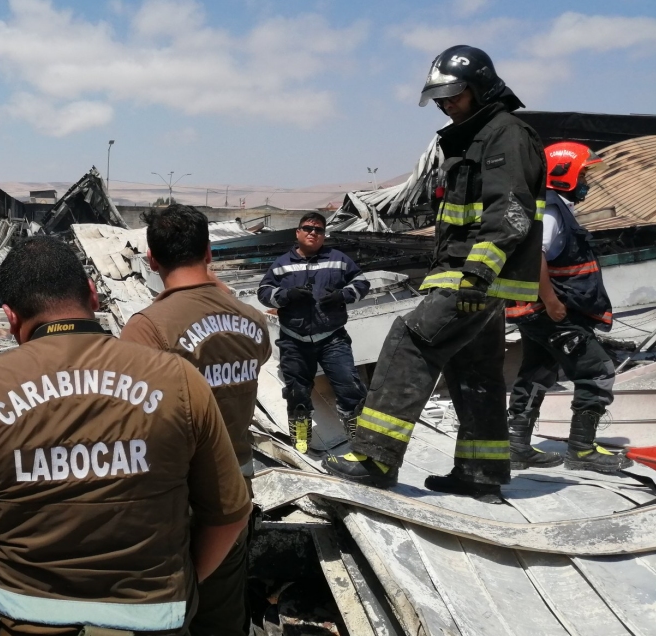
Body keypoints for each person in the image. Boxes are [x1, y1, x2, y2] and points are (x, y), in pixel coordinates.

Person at [0, 236, 251, 636]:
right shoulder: (179, 381)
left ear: (10, 318)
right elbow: (230, 515)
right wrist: (178, 587)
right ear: (93, 295)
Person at [324, 45, 546, 501]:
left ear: (481, 88)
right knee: (475, 368)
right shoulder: (475, 136)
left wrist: (477, 275)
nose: (446, 104)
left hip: (470, 275)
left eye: (455, 95)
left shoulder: (504, 134)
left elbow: (511, 212)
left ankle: (375, 457)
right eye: (441, 97)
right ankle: (480, 472)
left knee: (409, 341)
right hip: (475, 277)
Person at [121, 204, 272, 636]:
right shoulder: (252, 320)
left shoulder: (149, 328)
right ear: (209, 252)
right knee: (222, 608)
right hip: (236, 487)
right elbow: (257, 351)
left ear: (151, 260)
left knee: (165, 611)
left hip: (174, 496)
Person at [505, 142, 631, 472]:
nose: (588, 180)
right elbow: (535, 257)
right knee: (597, 370)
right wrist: (551, 301)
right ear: (565, 174)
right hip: (552, 313)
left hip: (537, 313)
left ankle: (516, 446)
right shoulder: (549, 211)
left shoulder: (554, 206)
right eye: (584, 173)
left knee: (536, 372)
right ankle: (582, 450)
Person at [256, 212, 370, 452]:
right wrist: (286, 296)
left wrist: (342, 295)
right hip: (293, 340)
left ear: (323, 235)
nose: (312, 233)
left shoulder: (338, 260)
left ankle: (359, 440)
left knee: (349, 387)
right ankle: (301, 438)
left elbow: (362, 283)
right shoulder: (281, 264)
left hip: (332, 338)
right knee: (297, 393)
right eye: (307, 228)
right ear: (298, 233)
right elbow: (264, 291)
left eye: (318, 230)